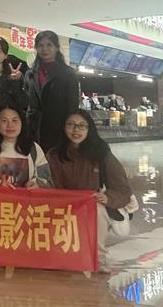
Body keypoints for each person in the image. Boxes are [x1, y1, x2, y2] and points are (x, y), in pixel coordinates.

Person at [47, 110, 133, 273]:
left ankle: (98, 259)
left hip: (91, 204)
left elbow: (122, 187)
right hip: (62, 205)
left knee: (98, 210)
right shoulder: (54, 155)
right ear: (64, 128)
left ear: (89, 129)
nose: (76, 130)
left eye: (82, 126)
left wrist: (108, 198)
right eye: (71, 125)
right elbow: (47, 183)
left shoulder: (101, 153)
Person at [24, 30, 80, 153]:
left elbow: (72, 107)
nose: (44, 49)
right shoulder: (30, 74)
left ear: (57, 48)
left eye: (49, 45)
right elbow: (27, 103)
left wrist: (70, 131)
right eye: (40, 45)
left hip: (58, 131)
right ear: (36, 48)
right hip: (34, 132)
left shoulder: (68, 73)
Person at [0, 106, 52, 188]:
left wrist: (37, 184)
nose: (10, 125)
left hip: (27, 196)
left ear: (22, 123)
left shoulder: (33, 148)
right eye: (4, 120)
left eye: (14, 120)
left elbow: (47, 181)